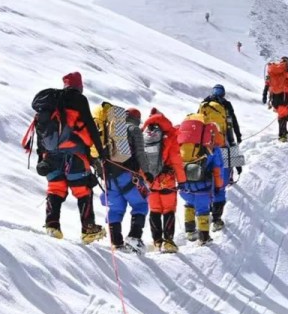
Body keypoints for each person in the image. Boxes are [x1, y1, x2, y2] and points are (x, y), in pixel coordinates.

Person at [24, 72, 106, 243]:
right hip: (75, 156)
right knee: (82, 191)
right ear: (79, 86)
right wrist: (100, 151)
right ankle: (88, 229)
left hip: (51, 156)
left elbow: (40, 131)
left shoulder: (51, 103)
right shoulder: (79, 100)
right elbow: (90, 126)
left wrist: (41, 158)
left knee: (55, 189)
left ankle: (52, 225)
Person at [96, 105, 152, 254]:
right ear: (137, 120)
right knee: (140, 204)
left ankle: (116, 243)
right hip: (128, 175)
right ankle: (134, 237)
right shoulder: (134, 130)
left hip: (108, 177)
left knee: (115, 209)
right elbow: (140, 154)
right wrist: (147, 172)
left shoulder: (109, 129)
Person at [142, 108, 187, 253]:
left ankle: (157, 242)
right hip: (167, 181)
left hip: (150, 182)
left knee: (154, 210)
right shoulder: (171, 136)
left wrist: (143, 178)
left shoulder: (144, 135)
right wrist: (182, 181)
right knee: (168, 210)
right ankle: (168, 241)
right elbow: (176, 161)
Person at [177, 114, 224, 246]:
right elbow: (217, 169)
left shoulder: (184, 145)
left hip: (184, 184)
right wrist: (219, 186)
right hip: (203, 185)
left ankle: (190, 231)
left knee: (189, 203)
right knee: (202, 209)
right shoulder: (212, 148)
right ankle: (204, 237)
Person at [200, 84, 242, 231]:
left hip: (205, 148)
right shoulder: (226, 106)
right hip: (222, 145)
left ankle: (204, 215)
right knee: (221, 182)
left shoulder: (204, 104)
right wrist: (238, 165)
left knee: (206, 181)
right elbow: (231, 128)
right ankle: (217, 219)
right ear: (223, 94)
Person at [263, 56, 288, 141]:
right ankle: (282, 135)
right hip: (284, 95)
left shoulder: (273, 71)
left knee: (282, 113)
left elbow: (267, 83)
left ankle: (284, 131)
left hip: (274, 96)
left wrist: (264, 95)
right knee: (284, 115)